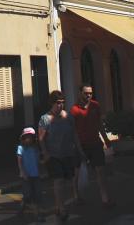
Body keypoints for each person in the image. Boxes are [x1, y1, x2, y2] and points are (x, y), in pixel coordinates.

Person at [38, 90, 83, 223]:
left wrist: (79, 150)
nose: (60, 106)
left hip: (68, 153)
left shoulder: (68, 117)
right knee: (58, 181)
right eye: (58, 103)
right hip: (54, 156)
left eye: (63, 103)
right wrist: (45, 153)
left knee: (67, 180)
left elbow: (74, 134)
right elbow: (41, 138)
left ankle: (59, 206)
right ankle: (62, 208)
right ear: (52, 103)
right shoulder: (45, 119)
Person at [70, 85, 114, 208]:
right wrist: (78, 147)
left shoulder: (95, 106)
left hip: (95, 143)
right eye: (86, 93)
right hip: (81, 144)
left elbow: (99, 124)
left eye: (90, 93)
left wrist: (105, 139)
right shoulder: (74, 110)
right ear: (80, 94)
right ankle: (76, 195)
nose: (88, 95)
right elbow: (73, 131)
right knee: (76, 172)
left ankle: (105, 198)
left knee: (100, 171)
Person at [16, 126, 43, 221]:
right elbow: (19, 162)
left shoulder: (35, 149)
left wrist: (43, 163)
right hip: (26, 176)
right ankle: (22, 207)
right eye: (27, 137)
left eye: (30, 137)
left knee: (36, 195)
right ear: (23, 138)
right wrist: (23, 172)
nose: (29, 139)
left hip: (36, 175)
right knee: (28, 195)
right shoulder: (21, 148)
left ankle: (37, 215)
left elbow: (38, 161)